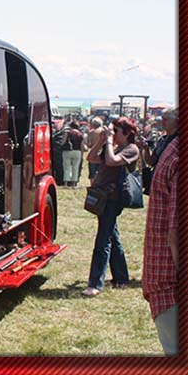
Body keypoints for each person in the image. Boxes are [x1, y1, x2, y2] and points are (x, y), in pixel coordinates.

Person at [83, 116, 139, 297]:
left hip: (113, 199)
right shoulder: (111, 146)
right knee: (112, 237)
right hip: (103, 197)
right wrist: (100, 142)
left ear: (128, 133)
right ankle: (121, 278)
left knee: (103, 240)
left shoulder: (131, 149)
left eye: (116, 131)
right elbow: (91, 158)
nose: (112, 134)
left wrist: (107, 142)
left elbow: (111, 161)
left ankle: (95, 283)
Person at [142, 111, 179, 355]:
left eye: (166, 120)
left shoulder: (174, 146)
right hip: (175, 284)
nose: (161, 123)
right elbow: (178, 234)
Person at [61, 120, 85, 188]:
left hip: (67, 151)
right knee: (75, 168)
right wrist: (82, 154)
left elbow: (63, 142)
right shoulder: (80, 134)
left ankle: (66, 184)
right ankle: (74, 184)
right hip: (77, 152)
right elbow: (82, 146)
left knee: (66, 167)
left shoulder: (67, 133)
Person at [86, 117, 104, 181]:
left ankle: (93, 186)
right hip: (102, 153)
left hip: (93, 153)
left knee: (92, 173)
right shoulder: (103, 131)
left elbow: (89, 144)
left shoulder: (91, 132)